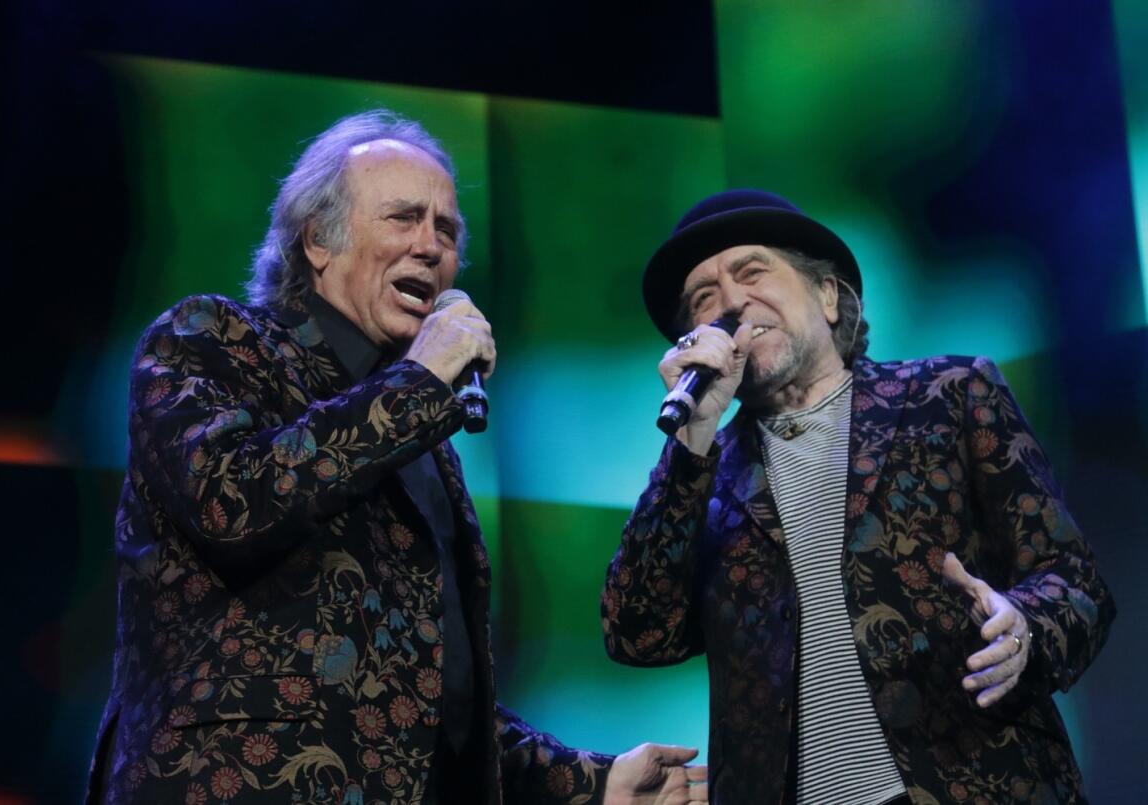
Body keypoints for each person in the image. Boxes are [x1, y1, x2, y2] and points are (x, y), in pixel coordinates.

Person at [87, 110, 709, 804]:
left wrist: (594, 781)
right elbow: (233, 503)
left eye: (447, 231)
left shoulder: (424, 441)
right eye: (403, 219)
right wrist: (417, 384)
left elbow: (422, 703)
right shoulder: (213, 340)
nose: (431, 247)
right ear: (318, 240)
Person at [601, 189, 1115, 804]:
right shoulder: (701, 477)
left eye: (753, 272)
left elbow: (1075, 578)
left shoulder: (950, 396)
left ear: (827, 296)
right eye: (704, 300)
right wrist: (688, 448)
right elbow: (638, 633)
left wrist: (1024, 626)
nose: (732, 302)